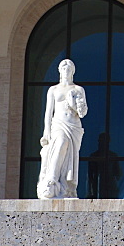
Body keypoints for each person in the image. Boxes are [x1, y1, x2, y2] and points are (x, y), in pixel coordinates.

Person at [37, 58, 88, 199]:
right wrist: (46, 132)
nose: (66, 71)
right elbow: (48, 112)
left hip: (73, 127)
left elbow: (83, 112)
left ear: (72, 72)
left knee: (68, 154)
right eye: (63, 68)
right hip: (58, 124)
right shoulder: (53, 89)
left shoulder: (78, 89)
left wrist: (73, 102)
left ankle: (63, 185)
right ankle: (51, 179)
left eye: (68, 69)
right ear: (59, 71)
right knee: (60, 142)